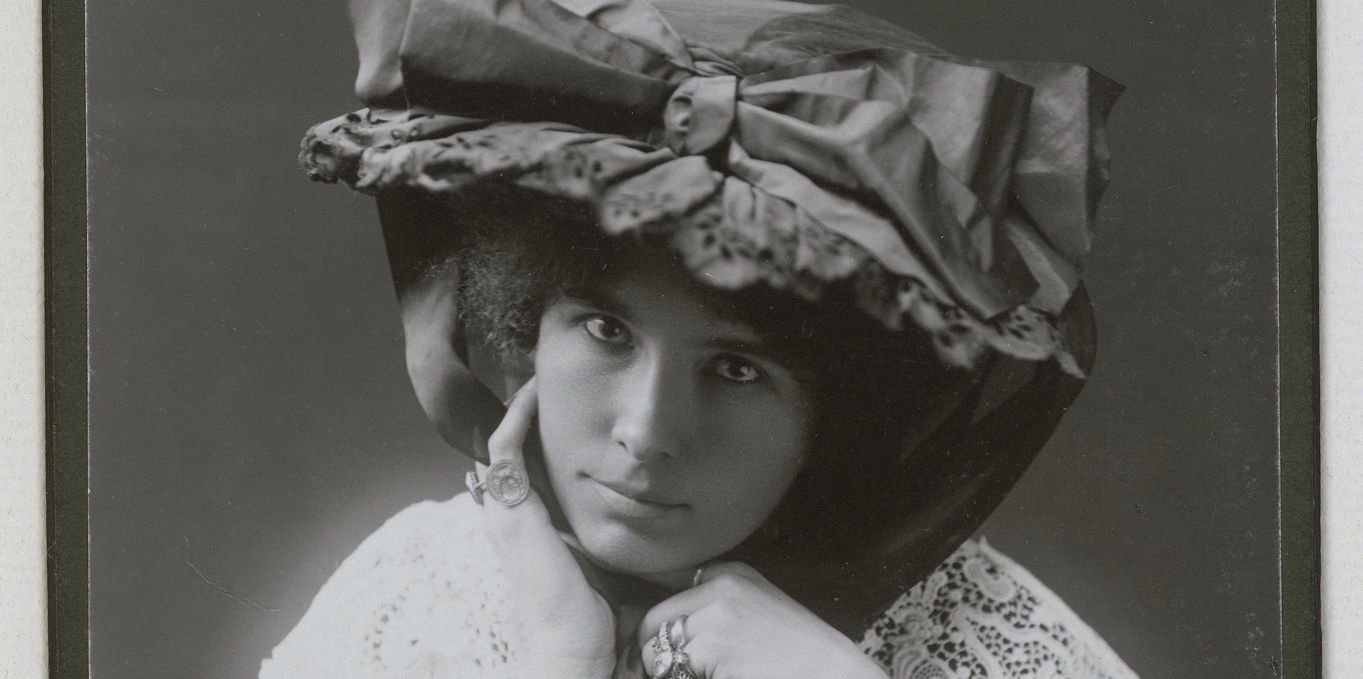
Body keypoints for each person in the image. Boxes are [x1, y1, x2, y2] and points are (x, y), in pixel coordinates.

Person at [263, 0, 1134, 676]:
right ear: (525, 330)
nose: (645, 431)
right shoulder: (409, 595)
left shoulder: (983, 640)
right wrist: (566, 659)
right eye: (605, 329)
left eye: (735, 367)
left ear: (831, 412)